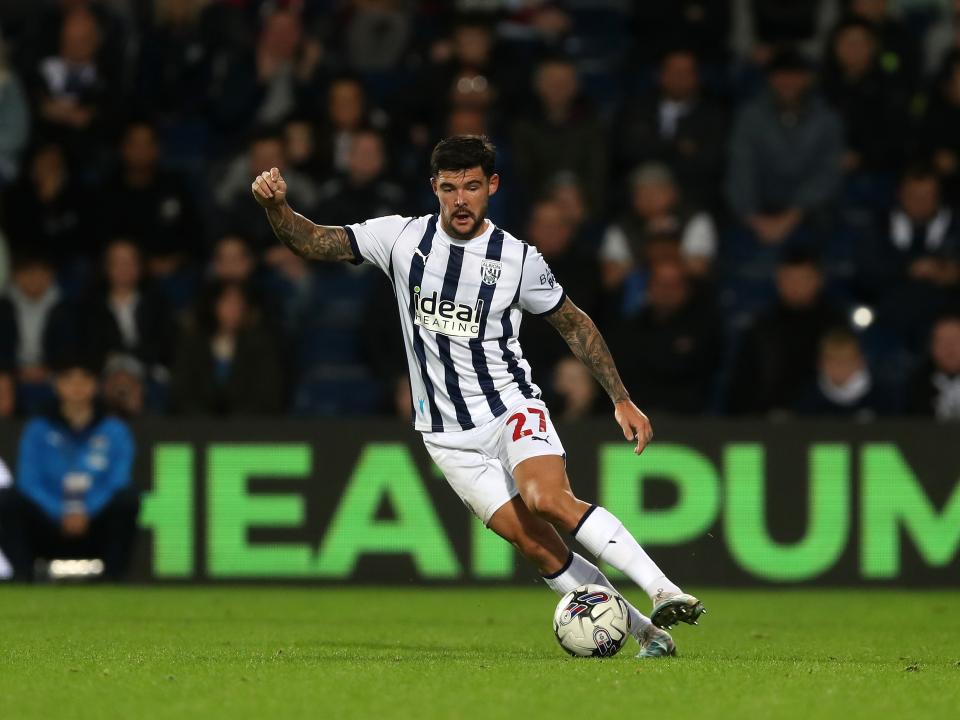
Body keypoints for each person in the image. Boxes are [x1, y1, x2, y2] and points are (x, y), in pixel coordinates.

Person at [251, 135, 705, 659]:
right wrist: (276, 207)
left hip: (510, 407)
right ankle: (650, 634)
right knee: (537, 547)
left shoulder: (517, 259)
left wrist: (620, 397)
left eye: (471, 186)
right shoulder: (399, 239)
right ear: (434, 188)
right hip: (447, 437)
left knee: (547, 500)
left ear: (491, 186)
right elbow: (312, 241)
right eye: (449, 188)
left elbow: (573, 323)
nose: (460, 199)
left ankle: (663, 588)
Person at [0, 356, 139, 581]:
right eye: (69, 380)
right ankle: (22, 576)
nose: (77, 387)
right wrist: (60, 512)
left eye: (84, 380)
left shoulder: (115, 431)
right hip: (48, 524)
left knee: (128, 500)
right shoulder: (38, 429)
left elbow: (118, 481)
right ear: (58, 385)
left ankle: (114, 579)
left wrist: (86, 511)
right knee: (9, 500)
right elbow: (29, 481)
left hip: (94, 524)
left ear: (95, 385)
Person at [795, 327, 884, 418]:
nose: (839, 367)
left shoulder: (882, 397)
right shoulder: (807, 398)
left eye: (847, 361)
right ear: (820, 364)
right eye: (832, 361)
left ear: (861, 362)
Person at [907, 312, 960, 419]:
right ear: (931, 347)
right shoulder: (915, 387)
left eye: (956, 340)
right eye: (942, 341)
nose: (949, 348)